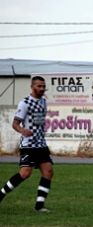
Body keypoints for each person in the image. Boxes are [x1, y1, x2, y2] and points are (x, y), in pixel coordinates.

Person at [0, 76, 54, 212]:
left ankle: (39, 206)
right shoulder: (24, 103)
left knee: (48, 172)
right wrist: (23, 130)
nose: (42, 89)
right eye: (39, 86)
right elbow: (15, 124)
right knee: (25, 173)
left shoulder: (43, 102)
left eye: (43, 86)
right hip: (29, 145)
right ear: (32, 87)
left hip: (41, 144)